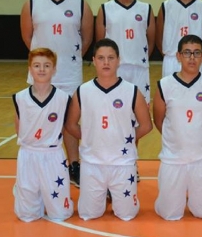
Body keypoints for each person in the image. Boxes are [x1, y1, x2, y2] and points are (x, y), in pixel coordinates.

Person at [20, 0, 94, 188]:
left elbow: (87, 39)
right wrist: (43, 64)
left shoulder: (80, 4)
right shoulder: (32, 2)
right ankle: (40, 167)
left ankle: (74, 166)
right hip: (41, 75)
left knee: (70, 122)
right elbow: (28, 37)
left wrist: (69, 59)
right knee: (41, 119)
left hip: (70, 74)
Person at [65, 38, 153, 221]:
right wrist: (91, 137)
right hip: (92, 163)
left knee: (127, 214)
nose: (106, 62)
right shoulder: (82, 91)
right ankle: (104, 196)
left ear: (118, 60)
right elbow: (70, 124)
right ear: (94, 60)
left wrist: (125, 138)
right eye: (101, 58)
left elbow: (146, 125)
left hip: (122, 163)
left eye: (111, 58)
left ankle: (117, 195)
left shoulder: (132, 91)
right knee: (89, 214)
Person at [152, 35, 202, 220]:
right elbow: (159, 121)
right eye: (187, 53)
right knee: (169, 213)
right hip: (173, 157)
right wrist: (177, 138)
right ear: (178, 56)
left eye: (197, 53)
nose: (192, 58)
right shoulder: (165, 85)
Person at [12, 48, 73, 222]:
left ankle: (52, 201)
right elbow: (19, 129)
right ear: (30, 69)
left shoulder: (63, 98)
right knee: (26, 215)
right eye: (37, 65)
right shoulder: (20, 98)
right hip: (28, 154)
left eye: (47, 65)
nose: (41, 69)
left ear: (54, 69)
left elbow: (67, 128)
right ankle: (28, 196)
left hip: (53, 155)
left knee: (60, 214)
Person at [95, 0, 156, 104]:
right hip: (115, 68)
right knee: (114, 107)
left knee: (140, 109)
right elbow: (100, 43)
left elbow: (151, 41)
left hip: (139, 68)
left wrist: (140, 56)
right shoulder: (105, 9)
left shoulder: (145, 8)